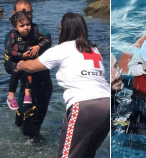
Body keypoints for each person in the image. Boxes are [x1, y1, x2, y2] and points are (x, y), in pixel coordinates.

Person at [17, 12, 110, 158]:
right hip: (107, 104)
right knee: (86, 154)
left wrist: (20, 64)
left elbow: (31, 66)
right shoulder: (94, 49)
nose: (59, 31)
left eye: (59, 28)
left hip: (84, 105)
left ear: (65, 30)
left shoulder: (62, 49)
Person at [4, 0, 53, 138]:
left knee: (33, 131)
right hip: (23, 90)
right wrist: (19, 62)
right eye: (22, 12)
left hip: (42, 87)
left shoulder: (39, 32)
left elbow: (48, 41)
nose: (27, 16)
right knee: (20, 127)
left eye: (29, 13)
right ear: (14, 14)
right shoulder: (11, 36)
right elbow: (8, 66)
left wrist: (37, 50)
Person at [5, 9, 50, 109]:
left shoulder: (35, 30)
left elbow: (47, 38)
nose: (26, 28)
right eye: (22, 26)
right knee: (16, 71)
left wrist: (38, 46)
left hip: (27, 58)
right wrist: (21, 56)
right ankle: (11, 97)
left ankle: (27, 94)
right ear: (15, 27)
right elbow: (8, 50)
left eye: (28, 24)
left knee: (27, 69)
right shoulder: (13, 35)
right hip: (15, 58)